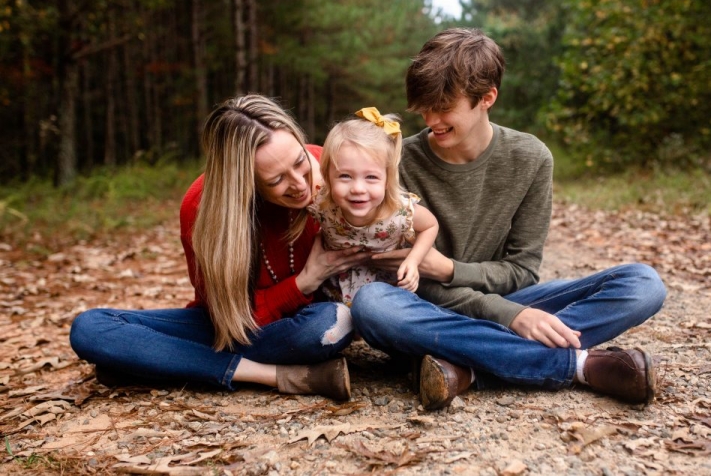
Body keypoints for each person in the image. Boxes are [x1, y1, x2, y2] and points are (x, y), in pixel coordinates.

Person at [351, 28, 667, 410]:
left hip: (494, 306)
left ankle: (471, 368)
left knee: (643, 284)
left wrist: (453, 271)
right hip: (427, 312)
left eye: (444, 107)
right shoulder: (398, 162)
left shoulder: (531, 158)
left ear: (487, 98)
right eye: (424, 107)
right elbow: (410, 281)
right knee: (372, 304)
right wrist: (512, 317)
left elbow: (522, 271)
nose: (431, 119)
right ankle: (578, 366)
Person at [69, 95, 371, 401]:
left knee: (330, 322)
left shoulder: (334, 173)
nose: (300, 184)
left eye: (299, 161)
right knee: (89, 328)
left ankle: (160, 362)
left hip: (303, 325)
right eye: (277, 179)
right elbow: (227, 318)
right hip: (233, 327)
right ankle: (272, 375)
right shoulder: (202, 207)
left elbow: (389, 222)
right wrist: (304, 282)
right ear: (244, 182)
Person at [308, 107, 439, 306]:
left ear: (387, 180)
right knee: (324, 317)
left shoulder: (398, 211)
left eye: (371, 177)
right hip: (334, 294)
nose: (358, 189)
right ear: (327, 176)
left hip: (385, 296)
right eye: (345, 176)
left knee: (375, 309)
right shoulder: (323, 205)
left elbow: (430, 225)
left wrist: (413, 260)